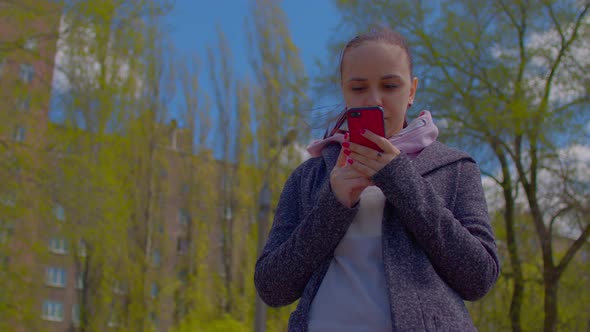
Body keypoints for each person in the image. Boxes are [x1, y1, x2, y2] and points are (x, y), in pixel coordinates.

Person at [254, 27, 499, 332]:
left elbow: (479, 278)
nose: (374, 100)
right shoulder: (309, 176)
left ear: (411, 91)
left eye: (390, 85)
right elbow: (272, 288)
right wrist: (334, 205)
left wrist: (400, 179)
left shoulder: (455, 168)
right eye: (358, 88)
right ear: (343, 91)